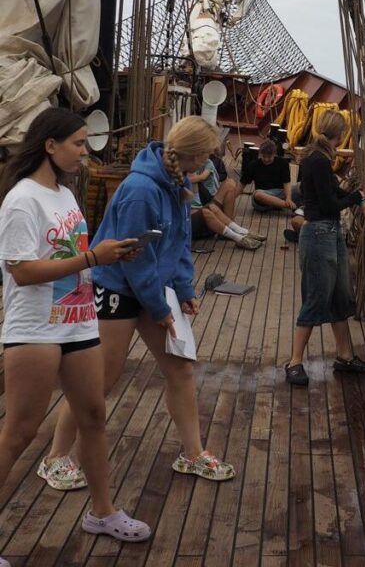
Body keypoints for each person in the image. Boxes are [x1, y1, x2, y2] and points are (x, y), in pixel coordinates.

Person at [44, 116, 235, 483]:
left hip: (151, 290)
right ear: (193, 155)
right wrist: (161, 309)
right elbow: (136, 259)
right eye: (206, 157)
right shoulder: (141, 190)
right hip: (117, 290)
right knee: (99, 381)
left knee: (180, 369)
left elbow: (179, 242)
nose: (209, 164)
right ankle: (56, 456)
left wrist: (184, 289)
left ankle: (193, 454)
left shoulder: (177, 184)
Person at [0, 108, 151, 557]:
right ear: (50, 145)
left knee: (94, 417)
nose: (86, 152)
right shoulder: (22, 200)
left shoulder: (64, 195)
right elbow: (23, 271)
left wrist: (108, 257)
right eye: (79, 143)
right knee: (21, 431)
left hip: (79, 321)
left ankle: (102, 512)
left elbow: (71, 252)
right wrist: (92, 259)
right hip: (36, 330)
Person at [284, 112, 365, 386]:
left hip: (332, 234)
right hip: (318, 235)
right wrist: (355, 199)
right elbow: (329, 204)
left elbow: (333, 195)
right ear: (339, 136)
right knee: (315, 298)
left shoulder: (319, 158)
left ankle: (345, 356)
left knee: (340, 297)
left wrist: (357, 198)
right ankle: (294, 362)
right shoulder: (318, 161)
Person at [188, 158, 264, 249]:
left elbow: (197, 203)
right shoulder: (180, 176)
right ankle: (238, 238)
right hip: (186, 224)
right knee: (206, 212)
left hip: (202, 204)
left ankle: (239, 231)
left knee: (229, 184)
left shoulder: (204, 164)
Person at [240, 139, 294, 212]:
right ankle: (290, 206)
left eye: (269, 157)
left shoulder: (283, 163)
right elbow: (242, 184)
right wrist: (231, 198)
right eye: (263, 156)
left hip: (279, 194)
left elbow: (286, 183)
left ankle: (280, 204)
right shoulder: (253, 165)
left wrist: (288, 198)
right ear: (260, 154)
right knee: (257, 194)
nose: (266, 159)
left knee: (300, 186)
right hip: (263, 198)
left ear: (274, 154)